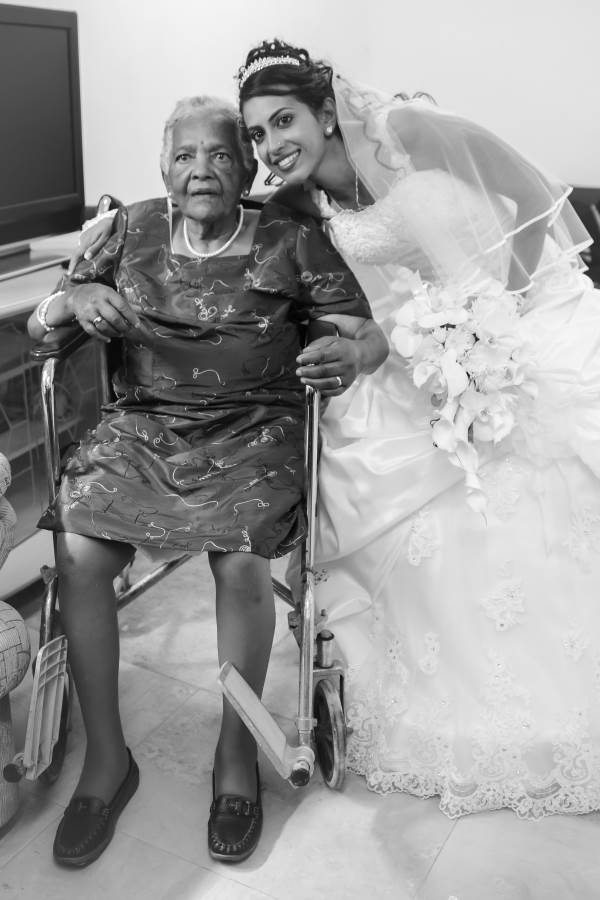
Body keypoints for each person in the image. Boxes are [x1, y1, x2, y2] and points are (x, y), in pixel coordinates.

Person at [75, 41, 600, 819]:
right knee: (364, 461)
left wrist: (500, 326)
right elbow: (268, 254)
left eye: (282, 121)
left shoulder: (409, 132)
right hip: (422, 344)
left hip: (519, 317)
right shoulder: (290, 208)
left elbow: (527, 206)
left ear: (326, 112)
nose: (271, 145)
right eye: (257, 135)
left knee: (525, 474)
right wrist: (104, 258)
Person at [28, 94, 387, 867]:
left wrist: (351, 355)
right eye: (186, 155)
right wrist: (77, 295)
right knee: (79, 553)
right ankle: (107, 761)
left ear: (246, 168)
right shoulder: (125, 230)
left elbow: (365, 333)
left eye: (221, 154)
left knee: (241, 560)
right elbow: (39, 324)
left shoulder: (292, 237)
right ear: (164, 167)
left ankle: (236, 752)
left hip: (256, 427)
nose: (202, 170)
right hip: (145, 426)